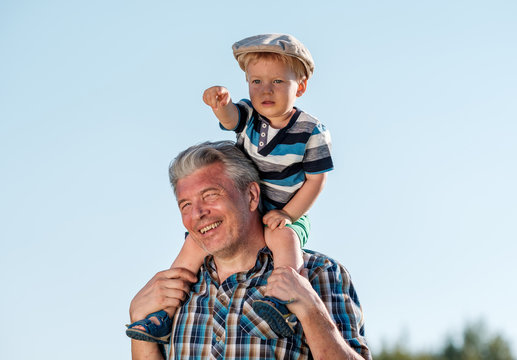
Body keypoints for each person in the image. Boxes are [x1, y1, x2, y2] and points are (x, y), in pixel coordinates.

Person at [127, 33, 333, 341]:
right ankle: (162, 314)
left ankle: (284, 303)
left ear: (299, 87)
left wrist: (289, 214)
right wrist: (220, 104)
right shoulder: (251, 115)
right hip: (246, 203)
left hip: (286, 207)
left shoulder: (311, 130)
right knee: (192, 246)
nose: (266, 90)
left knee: (283, 241)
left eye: (277, 82)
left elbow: (316, 180)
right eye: (256, 81)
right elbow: (231, 116)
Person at [129, 141, 370, 359]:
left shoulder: (318, 273)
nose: (198, 213)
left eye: (210, 195)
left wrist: (311, 311)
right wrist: (140, 323)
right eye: (186, 205)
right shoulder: (170, 295)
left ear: (252, 196)